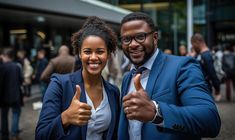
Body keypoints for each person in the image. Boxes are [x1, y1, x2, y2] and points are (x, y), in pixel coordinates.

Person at [118, 12, 221, 140]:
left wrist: (156, 112)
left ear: (155, 38)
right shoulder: (127, 78)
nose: (132, 44)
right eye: (126, 39)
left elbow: (210, 121)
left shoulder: (183, 67)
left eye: (140, 36)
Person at [35, 16, 120, 140]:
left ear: (108, 55)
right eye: (87, 52)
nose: (94, 57)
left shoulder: (113, 92)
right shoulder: (60, 84)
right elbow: (40, 135)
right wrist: (65, 118)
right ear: (80, 54)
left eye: (100, 51)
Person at [0, 47, 24, 140]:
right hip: (15, 95)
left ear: (5, 56)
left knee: (4, 116)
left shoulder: (1, 67)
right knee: (16, 113)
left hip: (3, 96)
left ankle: (4, 136)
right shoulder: (16, 66)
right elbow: (21, 80)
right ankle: (14, 134)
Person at [191, 33, 221, 101]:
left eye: (193, 44)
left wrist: (217, 89)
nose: (192, 46)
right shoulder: (202, 54)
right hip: (203, 89)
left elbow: (213, 74)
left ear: (197, 42)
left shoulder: (206, 56)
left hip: (205, 90)